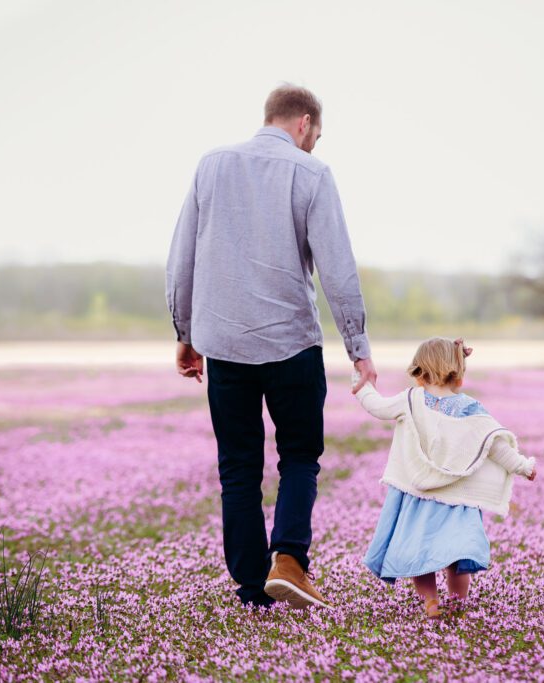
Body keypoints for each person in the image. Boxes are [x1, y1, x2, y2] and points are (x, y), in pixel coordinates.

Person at [165, 84, 377, 609]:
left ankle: (250, 587)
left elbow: (181, 260)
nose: (313, 146)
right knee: (300, 456)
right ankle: (288, 559)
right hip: (291, 346)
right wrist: (358, 346)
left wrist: (186, 334)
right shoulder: (311, 173)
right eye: (316, 137)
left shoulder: (210, 166)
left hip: (226, 345)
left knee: (237, 466)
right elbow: (338, 267)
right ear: (304, 123)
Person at [353, 337, 537, 618]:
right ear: (458, 374)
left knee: (420, 556)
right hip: (457, 500)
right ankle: (457, 604)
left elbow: (376, 406)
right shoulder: (471, 409)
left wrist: (361, 379)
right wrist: (523, 466)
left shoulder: (410, 400)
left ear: (419, 372)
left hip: (417, 498)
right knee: (457, 557)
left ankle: (430, 602)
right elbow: (496, 447)